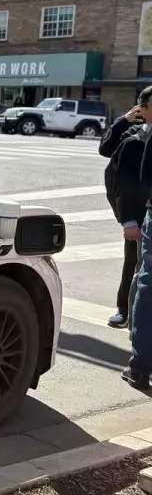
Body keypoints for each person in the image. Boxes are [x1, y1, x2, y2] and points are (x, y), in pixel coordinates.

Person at [100, 91, 150, 330]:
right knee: (133, 263)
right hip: (140, 213)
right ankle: (125, 310)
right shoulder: (135, 137)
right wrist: (124, 120)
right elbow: (107, 150)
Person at [119, 86, 152, 387]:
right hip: (145, 216)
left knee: (147, 283)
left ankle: (140, 365)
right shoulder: (135, 139)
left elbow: (144, 179)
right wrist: (130, 219)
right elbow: (130, 181)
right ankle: (140, 365)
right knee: (144, 280)